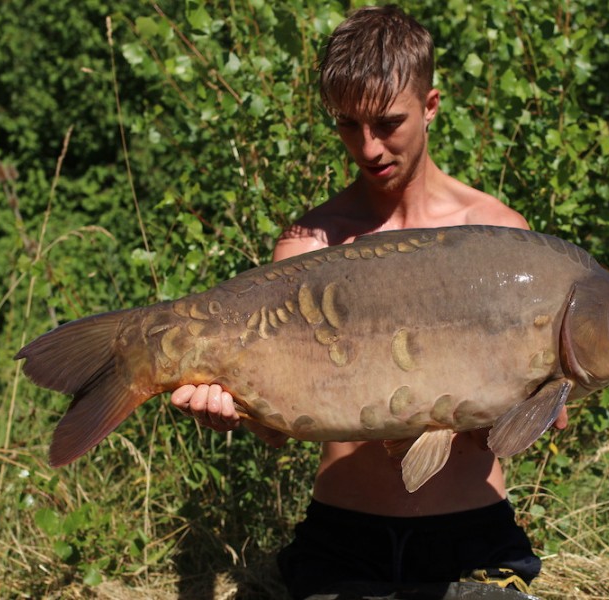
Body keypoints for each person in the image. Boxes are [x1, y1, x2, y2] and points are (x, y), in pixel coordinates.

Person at [171, 6, 567, 599]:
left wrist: (530, 407)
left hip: (473, 537)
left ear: (431, 106)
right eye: (348, 125)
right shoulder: (310, 244)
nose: (369, 146)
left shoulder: (500, 233)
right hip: (342, 536)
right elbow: (278, 432)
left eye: (387, 122)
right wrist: (232, 409)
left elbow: (535, 416)